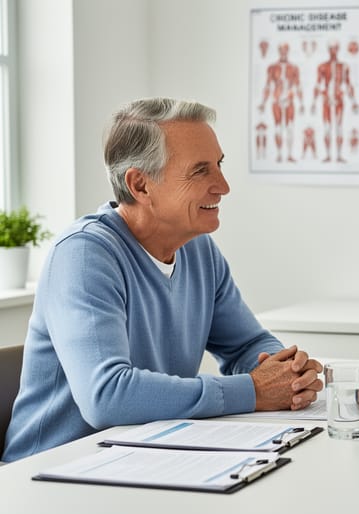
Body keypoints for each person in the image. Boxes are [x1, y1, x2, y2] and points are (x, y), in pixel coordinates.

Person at [2, 98, 323, 462]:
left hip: (144, 460)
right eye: (200, 171)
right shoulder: (84, 255)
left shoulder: (199, 250)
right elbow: (106, 396)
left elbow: (246, 343)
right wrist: (253, 390)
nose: (223, 186)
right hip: (50, 474)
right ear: (140, 185)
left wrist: (286, 375)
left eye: (218, 165)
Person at [312, 40, 358, 164]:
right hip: (326, 99)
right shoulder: (322, 66)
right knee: (327, 128)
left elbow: (348, 84)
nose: (333, 51)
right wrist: (313, 102)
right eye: (331, 48)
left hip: (338, 99)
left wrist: (353, 101)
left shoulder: (344, 66)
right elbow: (318, 84)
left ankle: (338, 155)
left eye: (335, 48)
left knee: (339, 127)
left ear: (338, 49)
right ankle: (328, 155)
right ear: (328, 49)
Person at [258, 42, 303, 163]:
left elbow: (298, 86)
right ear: (279, 51)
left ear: (288, 51)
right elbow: (267, 86)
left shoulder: (293, 68)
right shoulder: (272, 68)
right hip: (276, 100)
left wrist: (302, 102)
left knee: (290, 128)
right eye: (281, 49)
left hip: (289, 99)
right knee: (278, 127)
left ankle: (289, 154)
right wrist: (263, 102)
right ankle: (279, 154)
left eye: (285, 49)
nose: (283, 52)